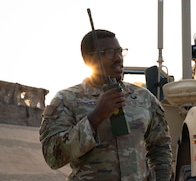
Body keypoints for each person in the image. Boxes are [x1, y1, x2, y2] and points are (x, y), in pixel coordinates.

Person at [39, 29, 173, 181]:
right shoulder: (66, 100)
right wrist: (96, 117)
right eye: (108, 52)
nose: (117, 58)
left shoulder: (144, 98)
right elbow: (53, 157)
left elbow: (160, 149)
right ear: (88, 60)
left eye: (120, 51)